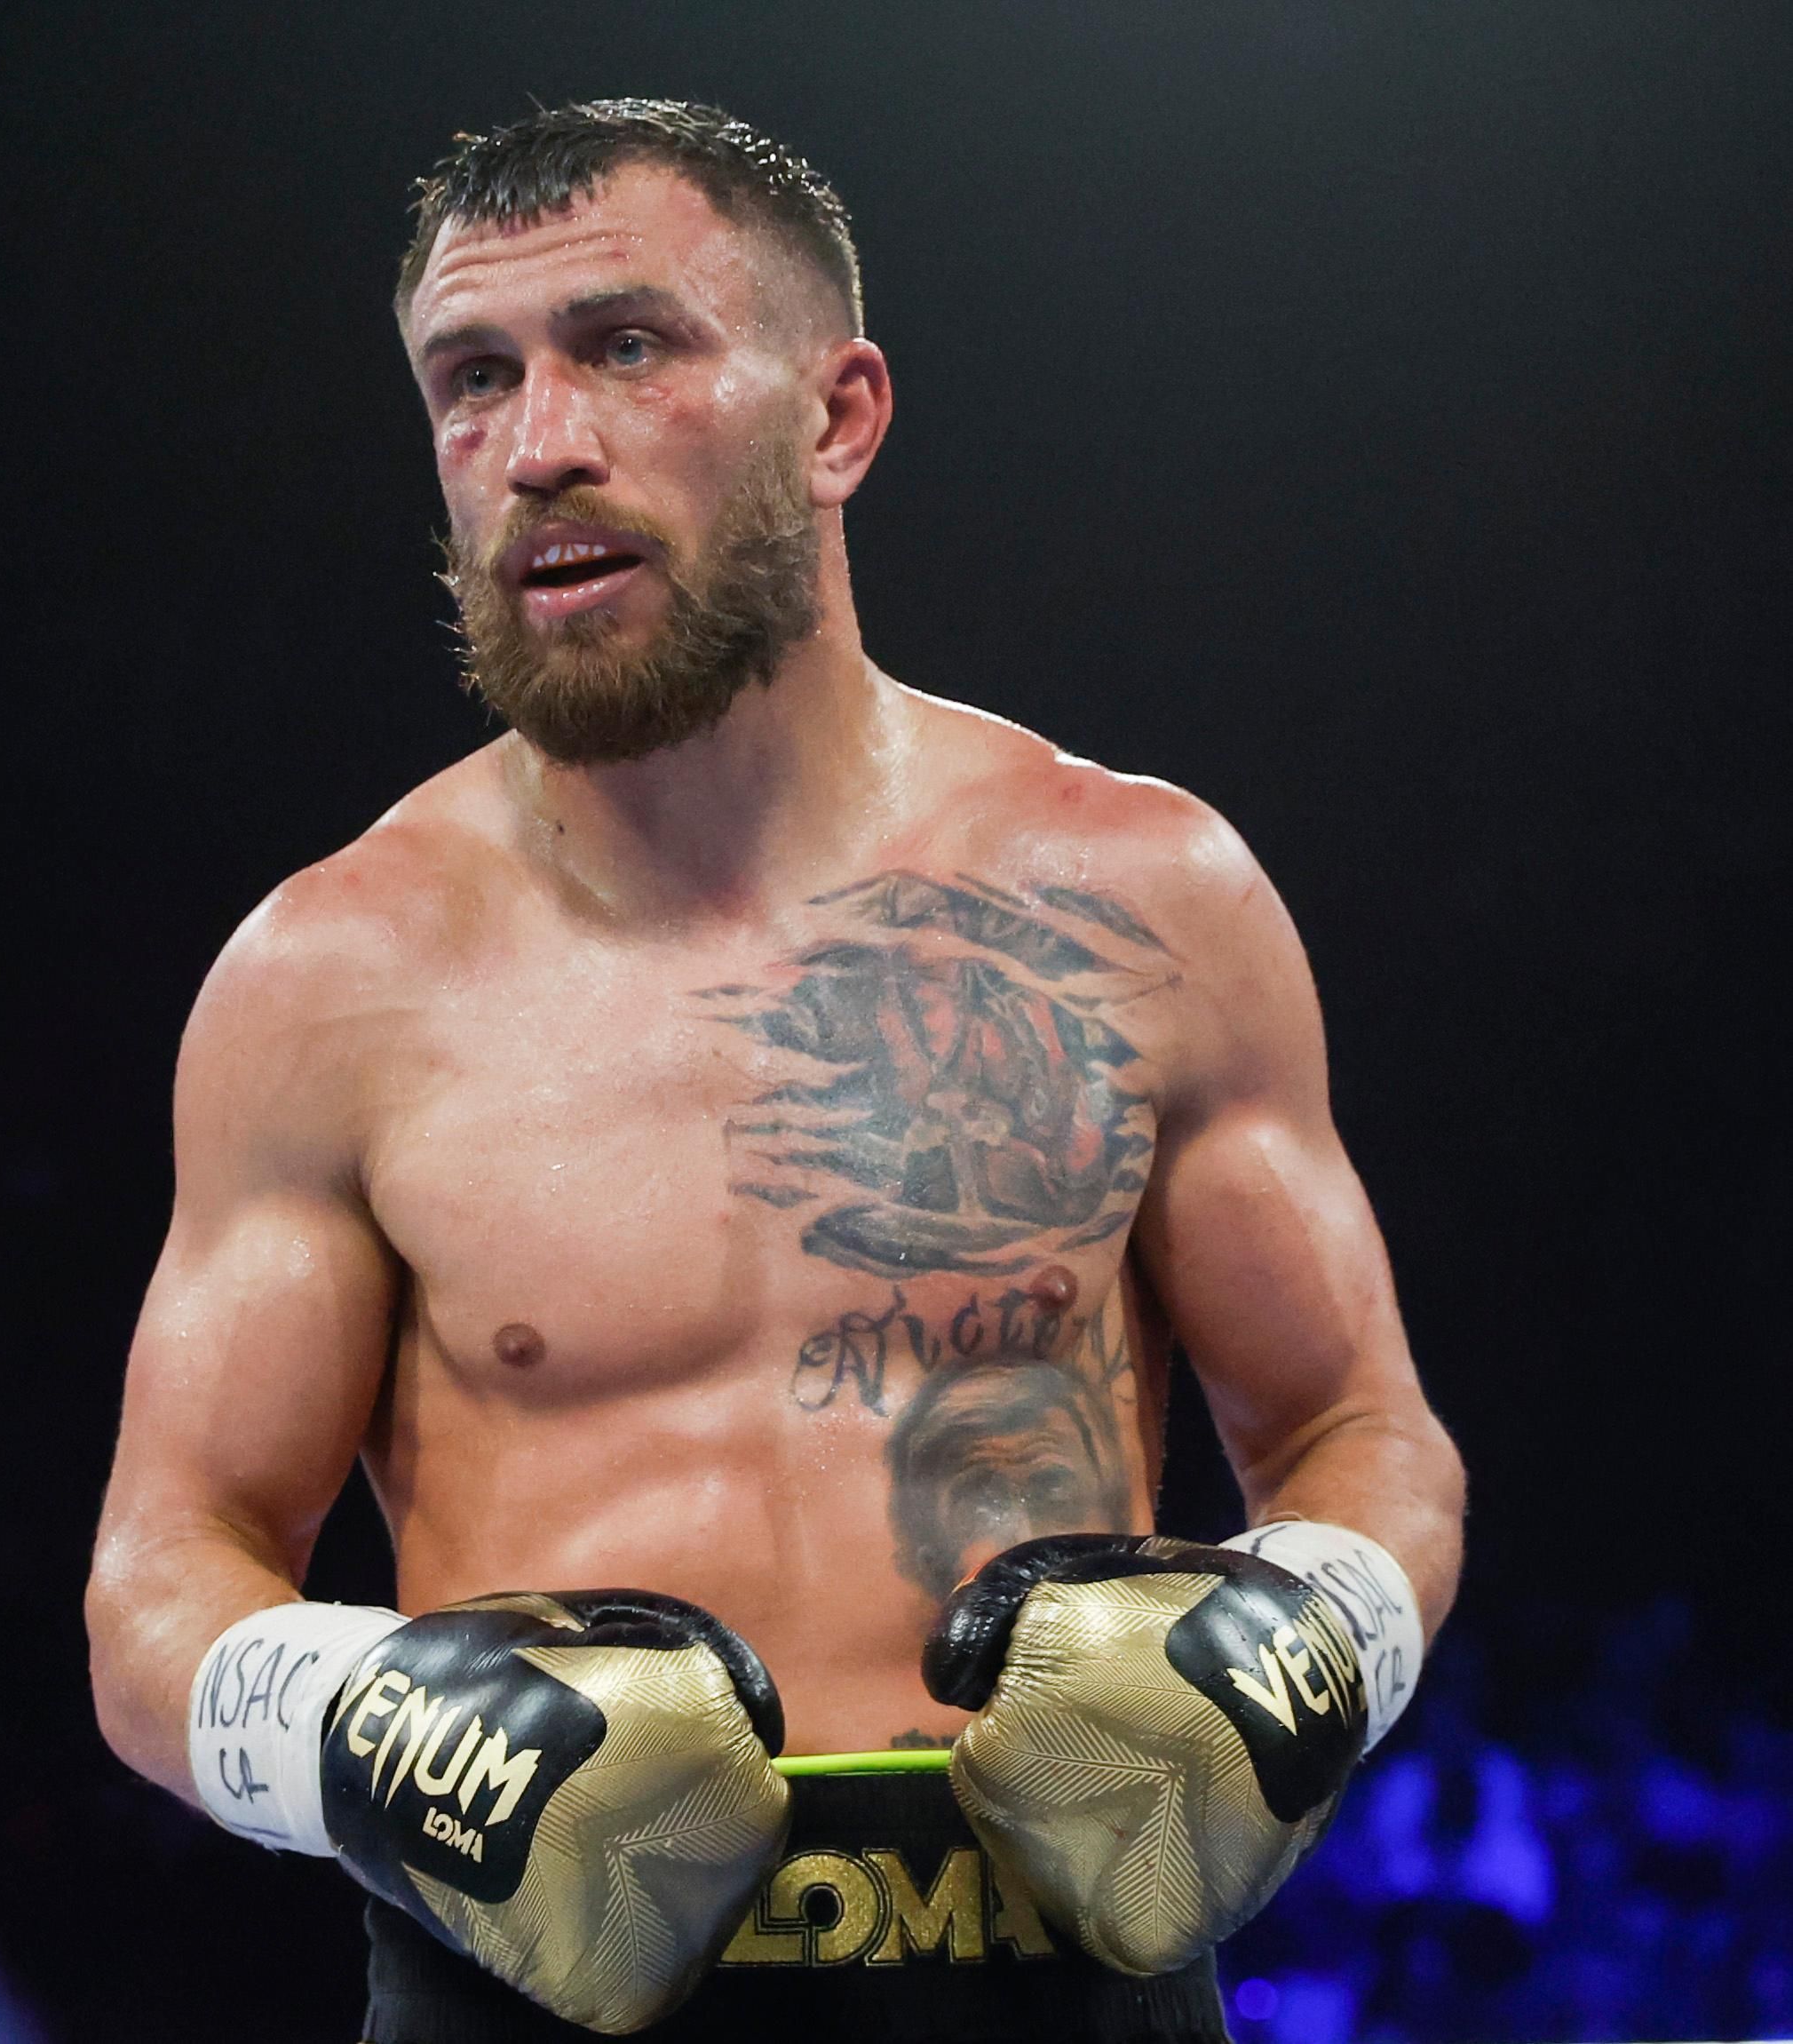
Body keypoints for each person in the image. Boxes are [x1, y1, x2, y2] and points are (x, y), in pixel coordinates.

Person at [85, 99, 1463, 2042]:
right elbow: (160, 1579)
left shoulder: (1141, 898)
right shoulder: (333, 978)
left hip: (1059, 1991)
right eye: (472, 379)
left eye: (624, 345)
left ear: (839, 418)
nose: (540, 444)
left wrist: (1309, 1632)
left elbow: (1365, 1434)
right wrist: (361, 1726)